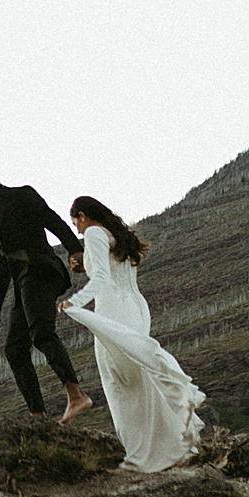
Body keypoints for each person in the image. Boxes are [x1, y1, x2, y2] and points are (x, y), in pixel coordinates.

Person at [57, 195, 205, 471]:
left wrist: (73, 302)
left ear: (82, 216)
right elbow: (109, 270)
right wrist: (85, 266)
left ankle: (140, 454)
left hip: (113, 308)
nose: (76, 229)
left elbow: (101, 279)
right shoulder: (119, 235)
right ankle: (170, 444)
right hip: (136, 308)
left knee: (118, 382)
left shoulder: (92, 233)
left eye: (75, 222)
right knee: (141, 377)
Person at [0, 164, 94, 424]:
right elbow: (3, 264)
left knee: (41, 333)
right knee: (14, 349)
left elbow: (53, 221)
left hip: (41, 271)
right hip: (22, 282)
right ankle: (37, 416)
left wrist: (75, 250)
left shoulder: (22, 196)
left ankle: (77, 395)